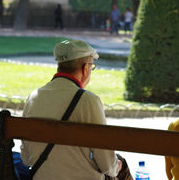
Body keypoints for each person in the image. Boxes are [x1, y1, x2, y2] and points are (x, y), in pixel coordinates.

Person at [21, 40, 122, 180]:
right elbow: (107, 165)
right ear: (85, 68)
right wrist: (117, 166)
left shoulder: (34, 97)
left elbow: (26, 159)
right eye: (92, 68)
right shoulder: (88, 100)